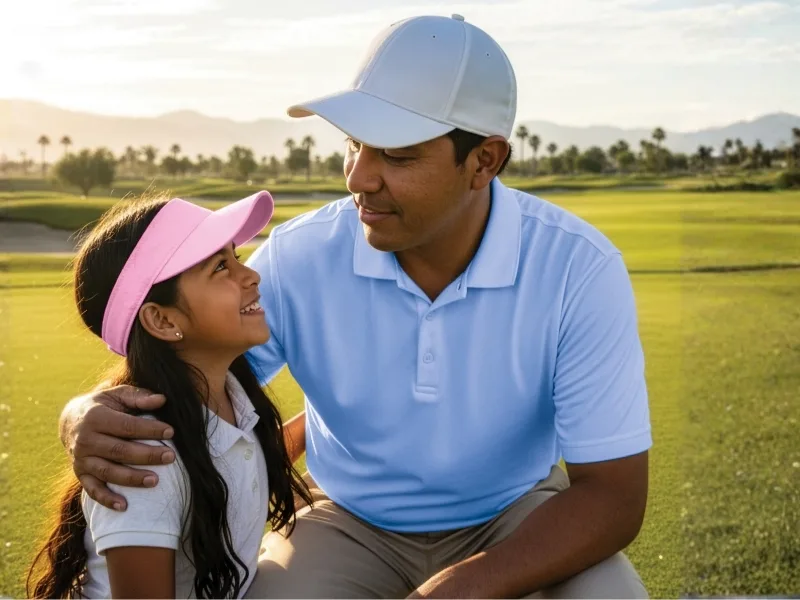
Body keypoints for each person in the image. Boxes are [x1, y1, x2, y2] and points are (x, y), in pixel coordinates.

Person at [56, 14, 652, 599]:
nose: (358, 177)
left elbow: (613, 496)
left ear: (484, 161)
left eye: (397, 156)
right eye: (354, 144)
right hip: (348, 520)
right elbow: (186, 365)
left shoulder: (578, 267)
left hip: (517, 512)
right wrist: (80, 415)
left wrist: (454, 590)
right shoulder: (300, 254)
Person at [27, 192, 313, 599]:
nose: (250, 275)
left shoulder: (230, 396)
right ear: (161, 320)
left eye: (235, 257)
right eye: (220, 267)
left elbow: (237, 470)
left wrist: (323, 423)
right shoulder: (145, 456)